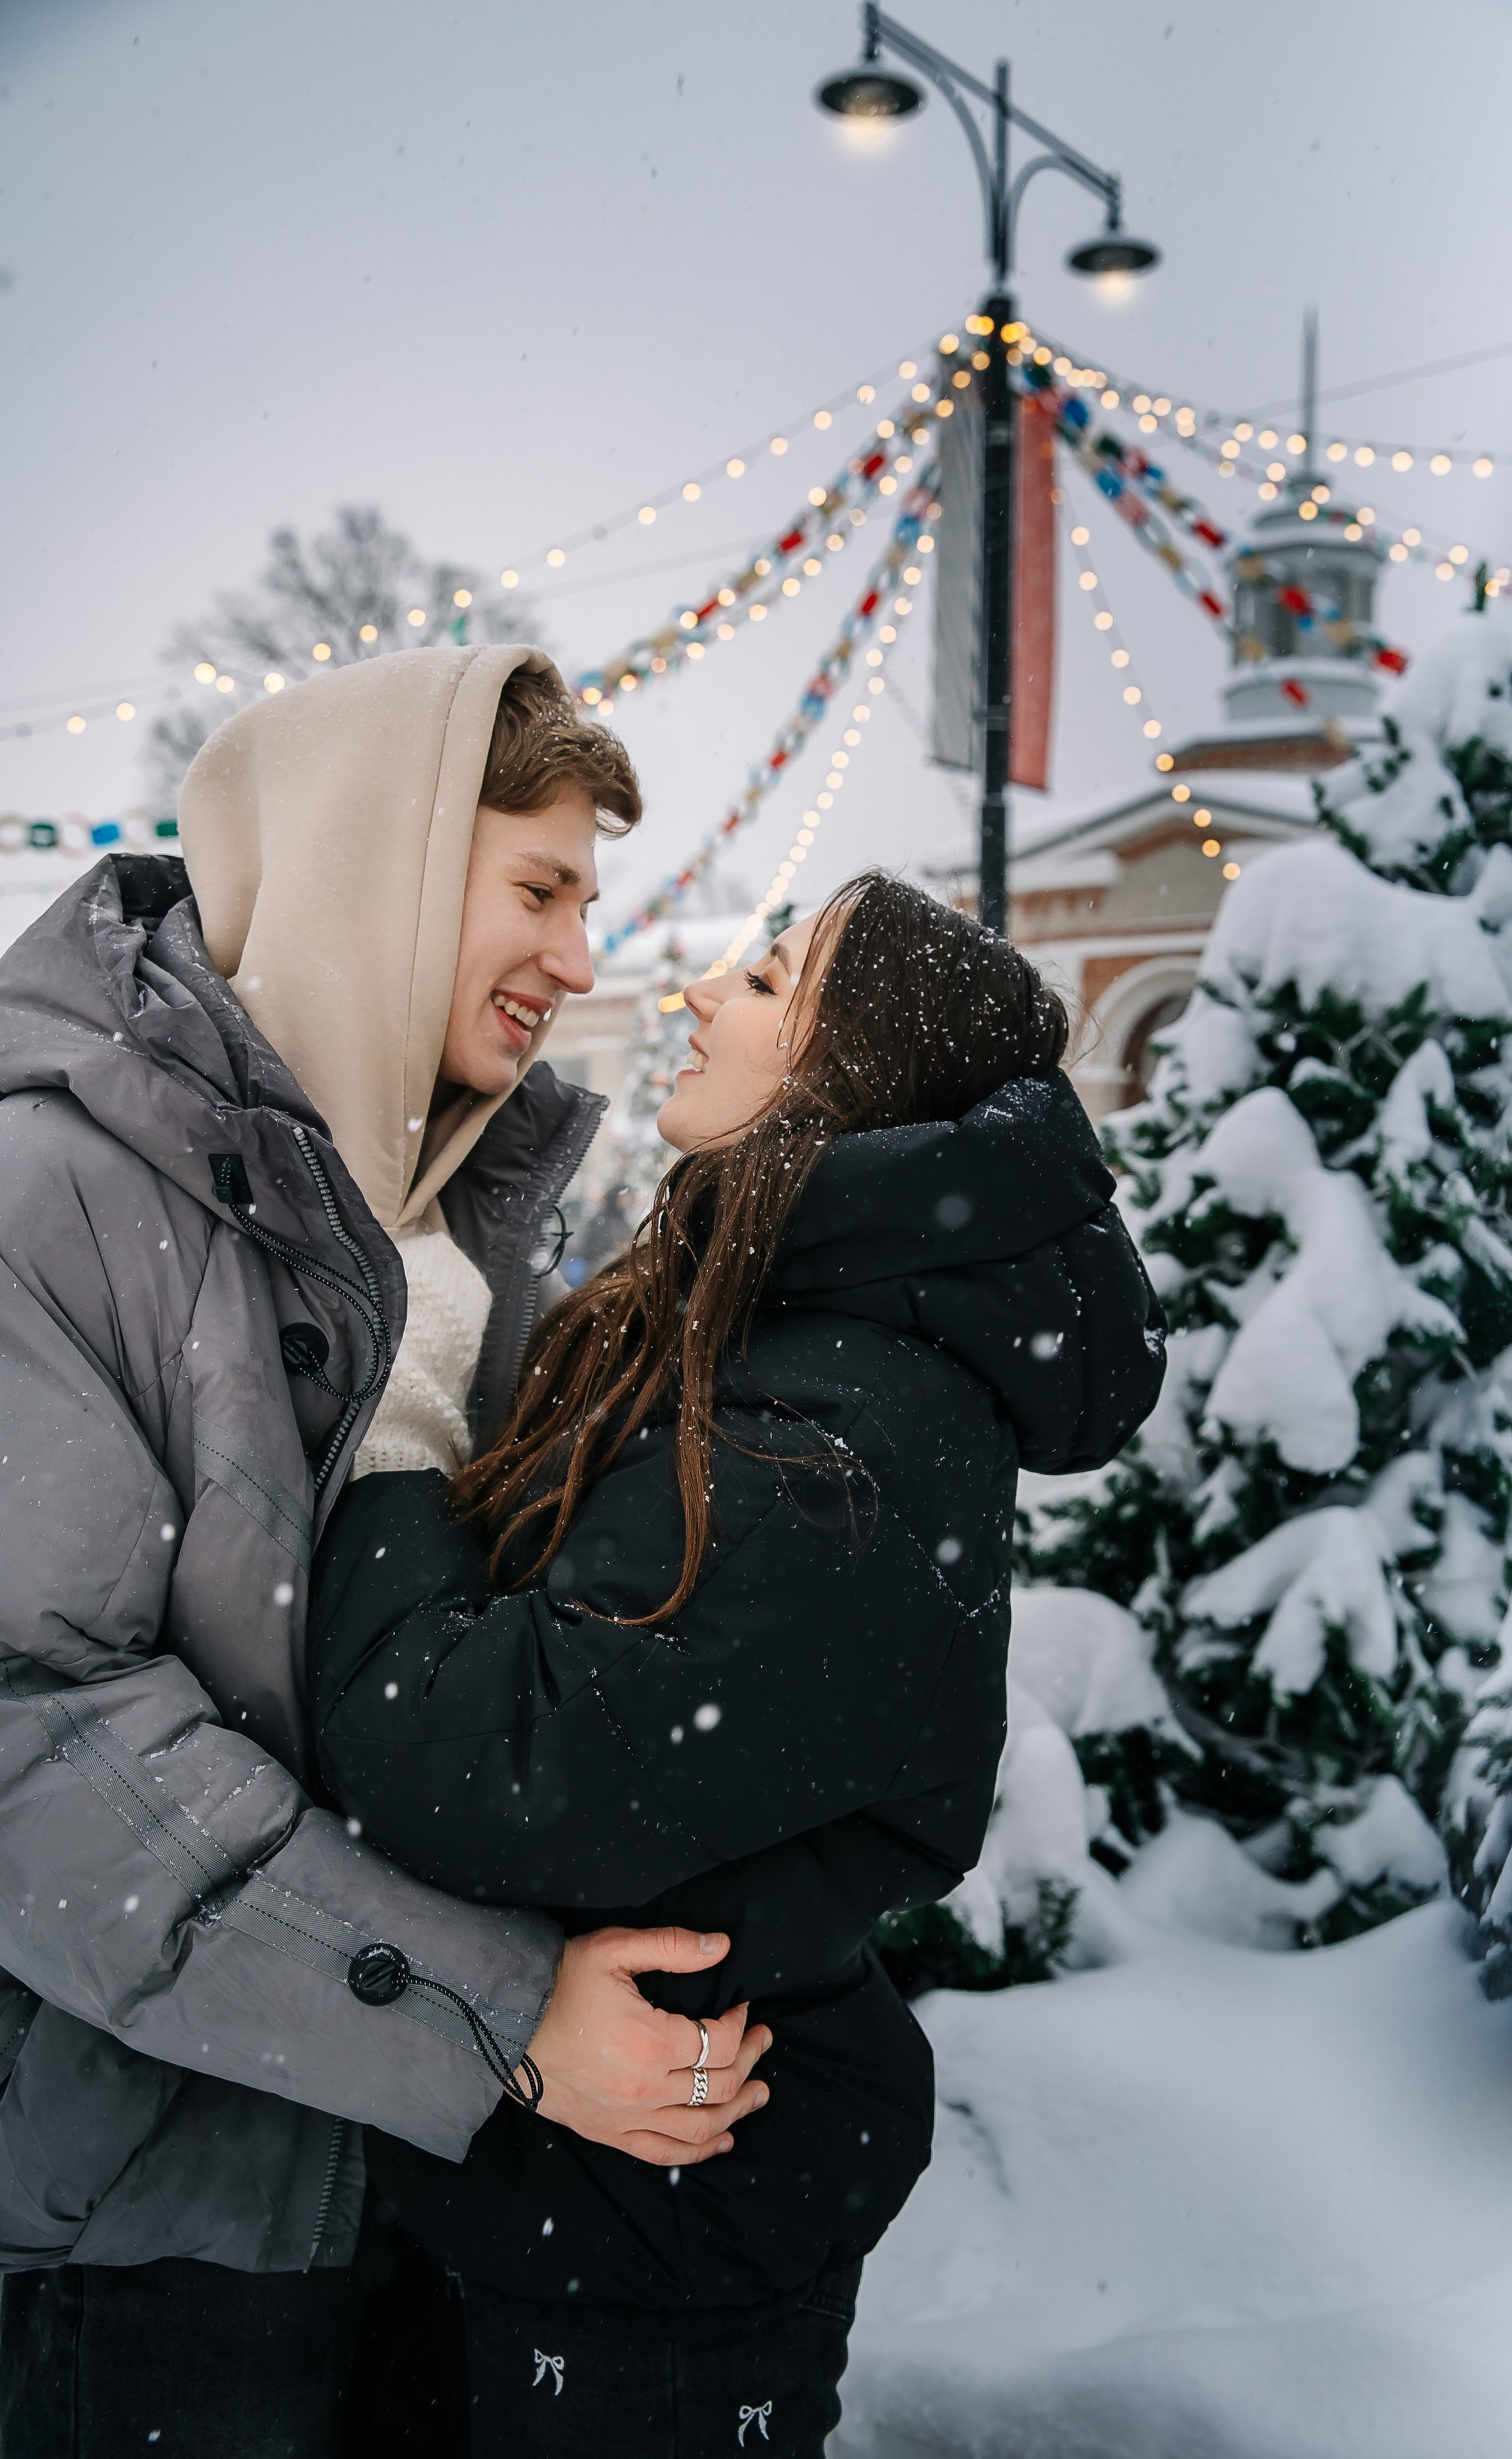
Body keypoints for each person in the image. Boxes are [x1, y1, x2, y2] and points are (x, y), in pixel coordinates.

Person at [0, 644, 771, 2459]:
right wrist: (494, 2012)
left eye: (593, 902)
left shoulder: (465, 1230)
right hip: (155, 2224)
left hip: (433, 2184)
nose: (582, 961)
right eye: (540, 888)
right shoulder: (59, 1195)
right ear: (384, 863)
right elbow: (37, 1733)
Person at [310, 872, 1168, 2457]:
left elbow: (498, 1765)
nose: (703, 990)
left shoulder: (838, 1422)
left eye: (767, 980)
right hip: (607, 2188)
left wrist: (385, 1484)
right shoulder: (787, 1332)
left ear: (852, 1078)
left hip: (650, 2238)